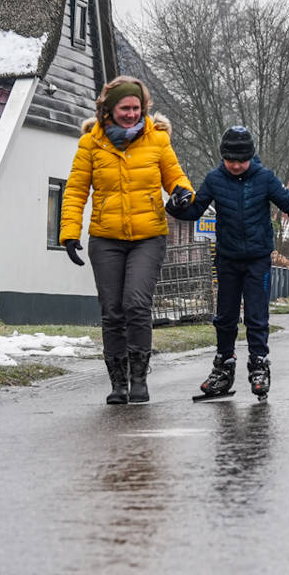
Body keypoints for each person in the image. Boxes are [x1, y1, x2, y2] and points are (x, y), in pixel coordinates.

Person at [59, 77, 194, 405]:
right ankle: (118, 383)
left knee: (136, 303)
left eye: (136, 108)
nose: (132, 114)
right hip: (105, 238)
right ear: (109, 109)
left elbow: (175, 177)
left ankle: (139, 378)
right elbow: (76, 190)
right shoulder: (91, 143)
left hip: (148, 237)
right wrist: (69, 234)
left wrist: (183, 193)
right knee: (112, 311)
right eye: (125, 108)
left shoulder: (157, 140)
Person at [175, 125, 289, 400]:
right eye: (230, 160)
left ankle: (259, 364)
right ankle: (223, 366)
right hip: (227, 257)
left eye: (241, 160)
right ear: (222, 156)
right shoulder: (214, 179)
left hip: (258, 258)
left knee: (257, 315)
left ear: (251, 156)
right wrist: (176, 204)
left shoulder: (264, 178)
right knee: (225, 316)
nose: (235, 165)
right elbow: (195, 210)